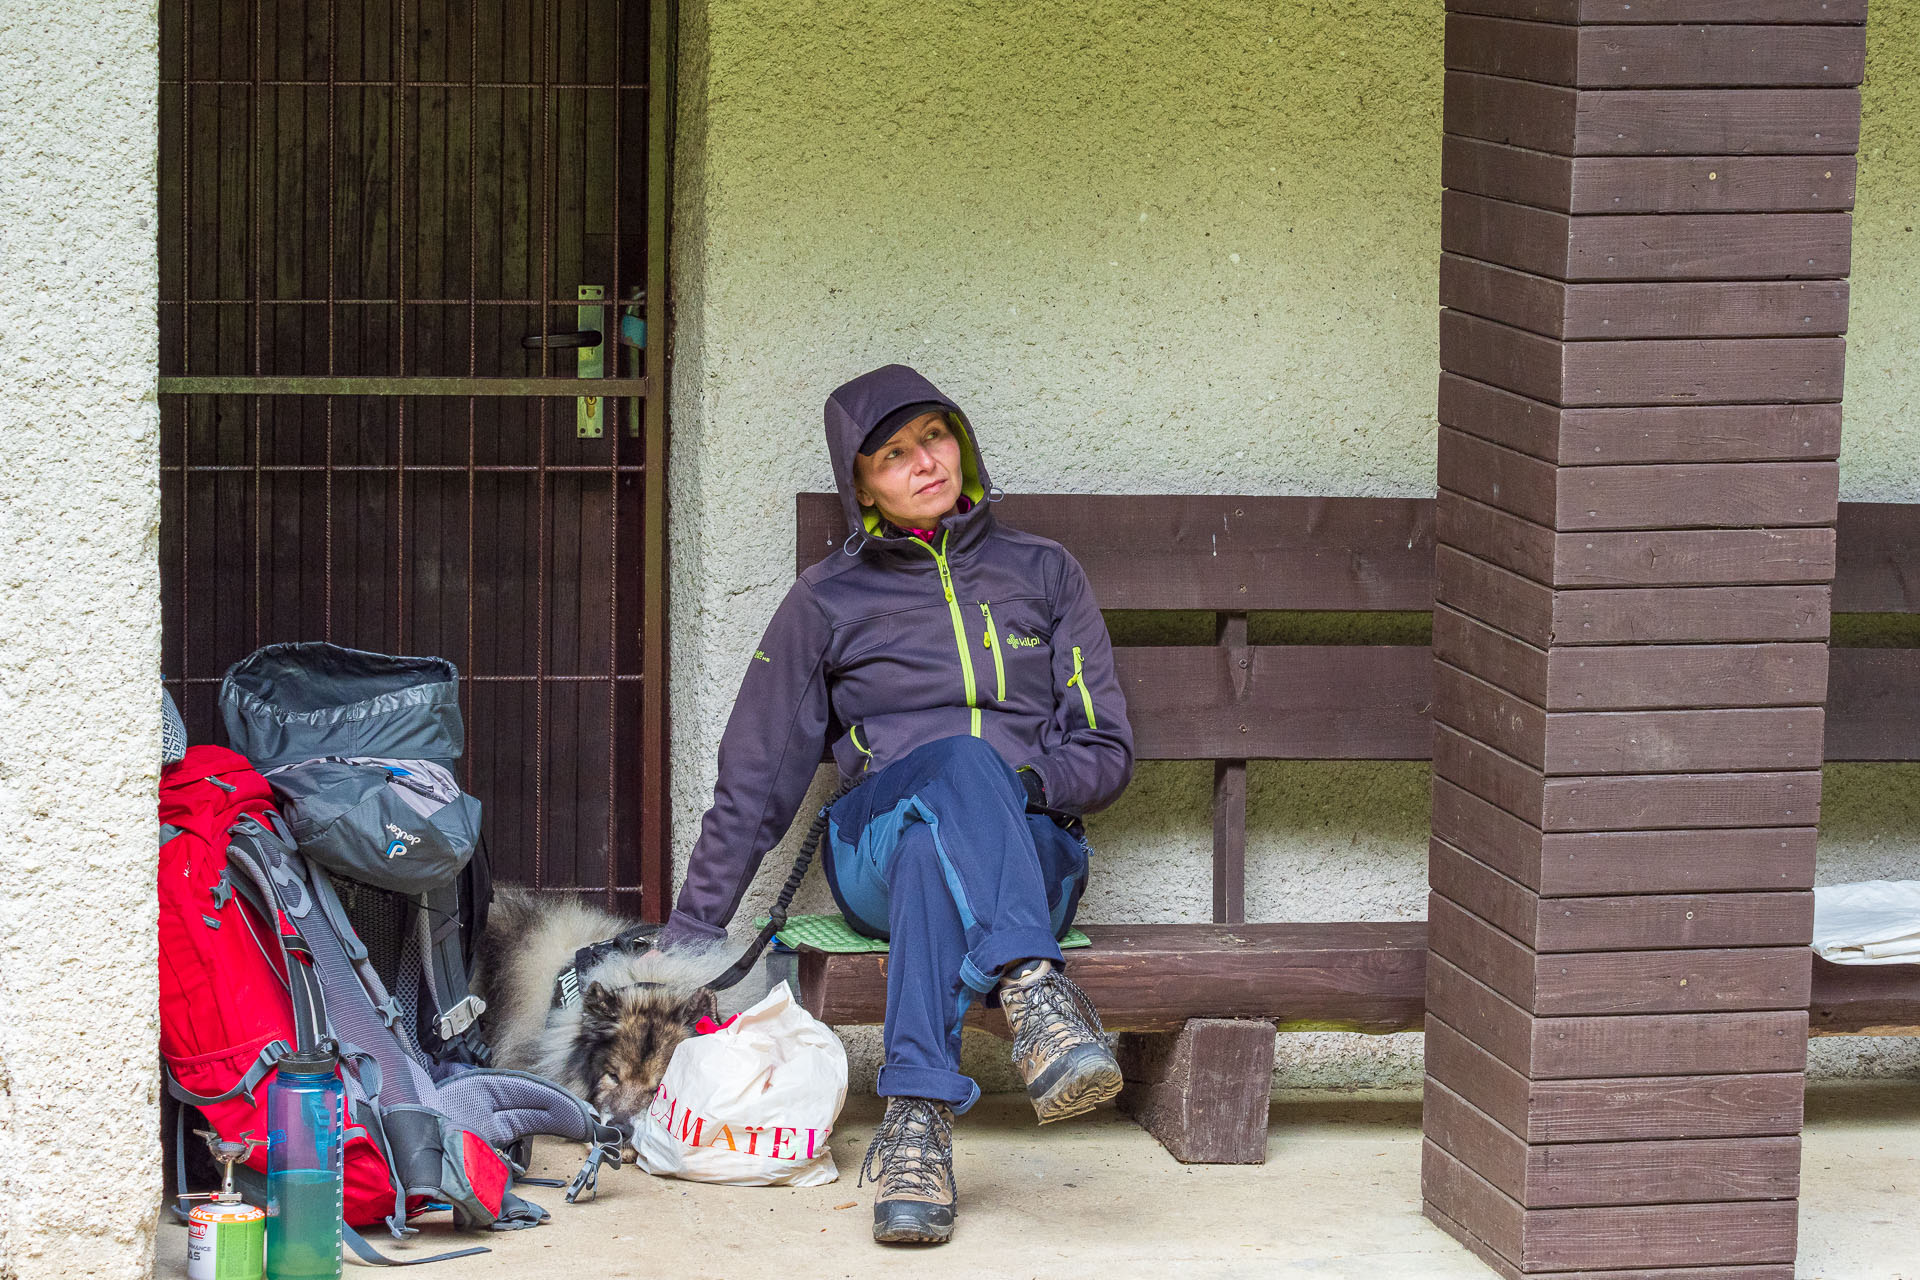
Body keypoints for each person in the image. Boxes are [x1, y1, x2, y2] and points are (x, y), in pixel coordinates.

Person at [660, 363, 1135, 1244]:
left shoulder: (1044, 572)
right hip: (871, 844)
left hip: (1032, 854)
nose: (925, 462)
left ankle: (916, 1121)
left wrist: (1019, 785)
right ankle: (1032, 989)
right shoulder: (827, 598)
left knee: (947, 829)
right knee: (945, 783)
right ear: (862, 486)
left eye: (936, 437)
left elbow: (1105, 752)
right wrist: (690, 938)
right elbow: (758, 777)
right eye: (892, 455)